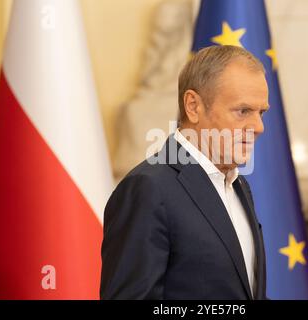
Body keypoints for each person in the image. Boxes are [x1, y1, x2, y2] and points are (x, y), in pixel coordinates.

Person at [100, 45, 269, 300]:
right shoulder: (148, 188)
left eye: (261, 112)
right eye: (243, 111)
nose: (258, 127)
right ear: (193, 106)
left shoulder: (239, 185)